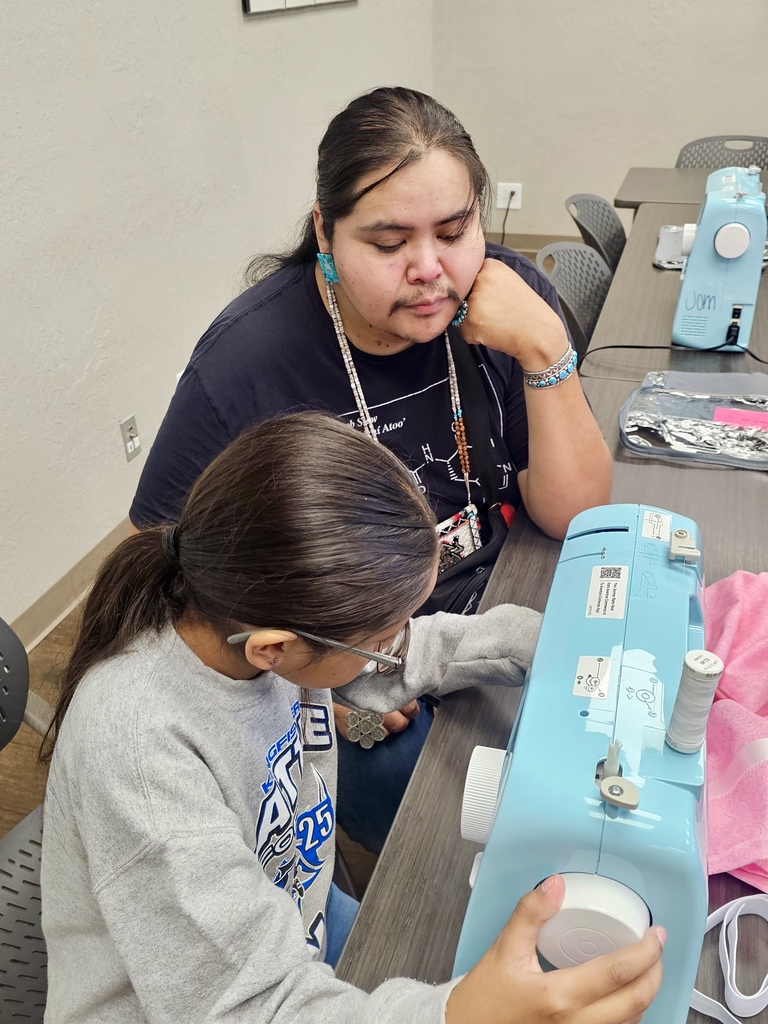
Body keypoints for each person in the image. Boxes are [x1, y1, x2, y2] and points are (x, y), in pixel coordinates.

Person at [41, 413, 662, 1024]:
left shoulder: (250, 621)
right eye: (383, 637)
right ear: (274, 649)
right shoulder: (140, 752)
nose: (395, 650)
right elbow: (252, 1005)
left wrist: (561, 645)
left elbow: (417, 652)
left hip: (293, 915)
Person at [128, 86, 612, 854]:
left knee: (604, 764)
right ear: (326, 230)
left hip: (496, 595)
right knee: (474, 857)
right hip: (352, 663)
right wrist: (318, 684)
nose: (429, 270)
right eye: (388, 244)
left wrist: (546, 350)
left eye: (455, 231)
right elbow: (161, 591)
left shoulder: (506, 303)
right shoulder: (246, 366)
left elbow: (574, 511)